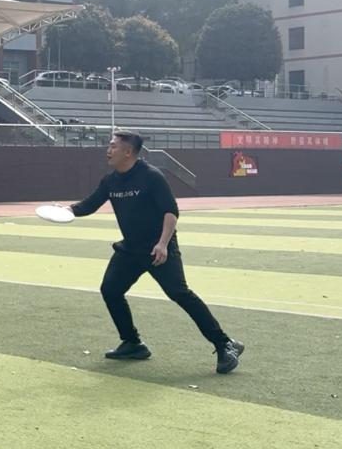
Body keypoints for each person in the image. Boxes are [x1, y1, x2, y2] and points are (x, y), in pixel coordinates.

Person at [64, 130, 244, 373]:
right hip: (130, 249)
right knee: (111, 290)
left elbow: (171, 212)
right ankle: (132, 343)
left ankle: (225, 344)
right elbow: (89, 205)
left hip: (159, 248)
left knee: (179, 293)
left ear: (128, 152)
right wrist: (66, 211)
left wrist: (162, 244)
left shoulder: (151, 176)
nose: (108, 150)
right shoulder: (110, 181)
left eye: (113, 146)